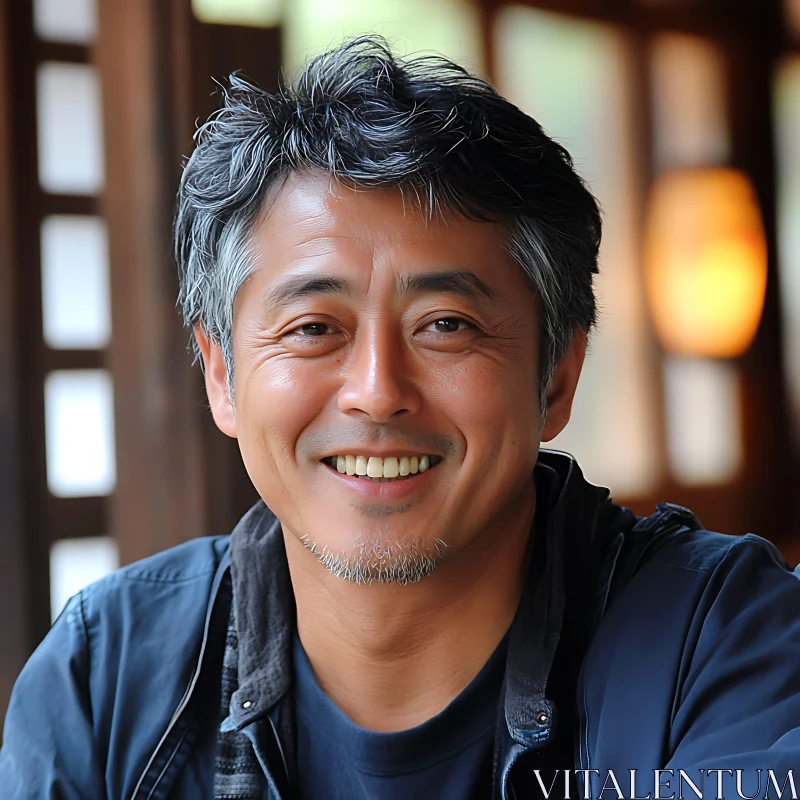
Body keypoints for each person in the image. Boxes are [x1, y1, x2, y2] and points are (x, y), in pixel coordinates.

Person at [2, 36, 800, 800]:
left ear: (556, 377)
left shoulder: (728, 639)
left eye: (445, 324)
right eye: (314, 329)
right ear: (223, 376)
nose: (377, 392)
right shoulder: (104, 675)